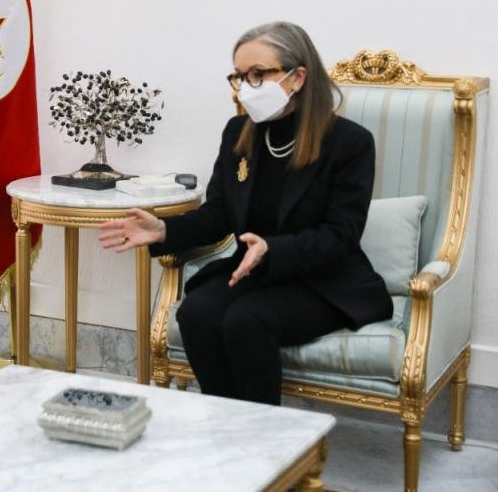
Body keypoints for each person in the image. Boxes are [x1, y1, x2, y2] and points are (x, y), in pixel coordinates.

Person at [99, 21, 392, 406]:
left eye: (258, 74)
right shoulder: (239, 132)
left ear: (297, 77)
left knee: (247, 320)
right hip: (254, 273)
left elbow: (341, 235)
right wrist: (164, 230)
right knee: (197, 313)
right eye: (239, 76)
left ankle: (267, 435)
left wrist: (272, 249)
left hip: (323, 281)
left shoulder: (349, 142)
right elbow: (219, 214)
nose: (246, 87)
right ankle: (228, 422)